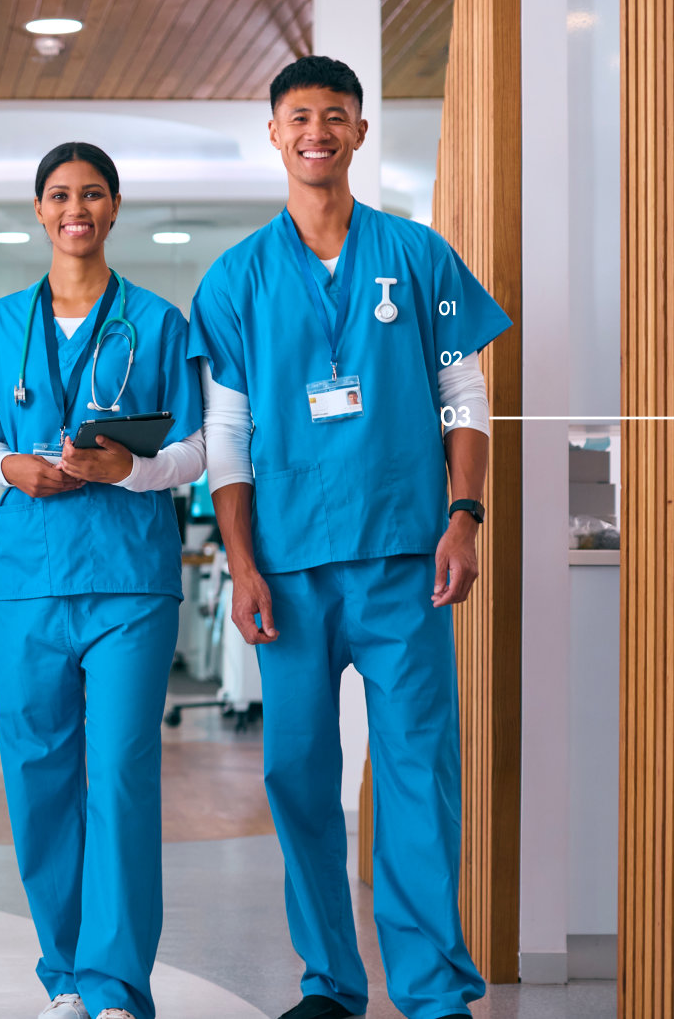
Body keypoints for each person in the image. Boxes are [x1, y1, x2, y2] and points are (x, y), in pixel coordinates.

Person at [187, 55, 508, 1019]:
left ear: (360, 133)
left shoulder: (416, 256)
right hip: (287, 567)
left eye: (335, 115)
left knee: (417, 771)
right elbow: (230, 434)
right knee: (297, 774)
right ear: (275, 134)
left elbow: (465, 394)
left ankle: (431, 987)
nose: (316, 130)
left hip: (407, 557)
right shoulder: (236, 279)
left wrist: (465, 517)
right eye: (299, 117)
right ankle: (330, 980)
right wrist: (240, 562)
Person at [0, 143, 205, 1019]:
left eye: (93, 194)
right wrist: (6, 470)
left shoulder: (159, 321)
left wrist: (123, 473)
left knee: (123, 775)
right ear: (39, 211)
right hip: (28, 576)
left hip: (130, 579)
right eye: (60, 195)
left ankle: (114, 986)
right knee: (37, 777)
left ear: (114, 209)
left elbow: (195, 452)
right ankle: (64, 975)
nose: (77, 208)